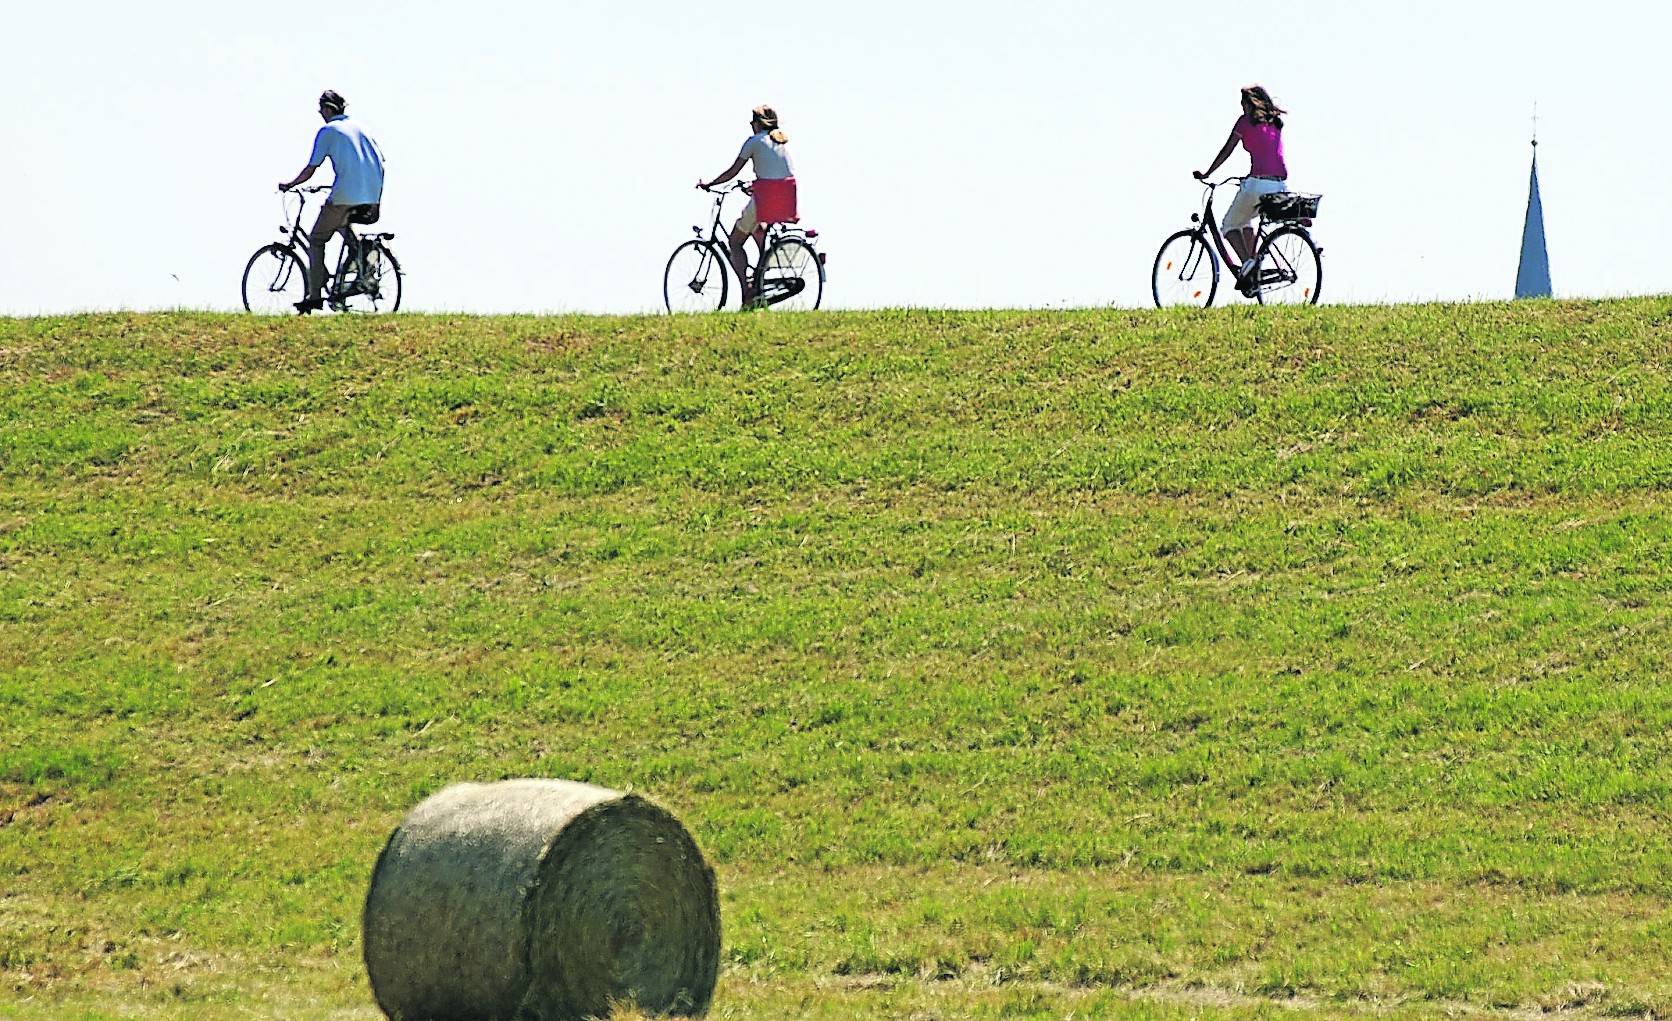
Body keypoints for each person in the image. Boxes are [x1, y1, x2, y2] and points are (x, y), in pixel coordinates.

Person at [277, 90, 386, 314]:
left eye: (321, 111)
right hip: (373, 196)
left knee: (316, 239)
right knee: (340, 221)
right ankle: (362, 264)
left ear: (327, 109)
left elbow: (311, 168)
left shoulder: (327, 131)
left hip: (346, 193)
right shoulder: (361, 127)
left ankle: (314, 295)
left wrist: (290, 184)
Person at [697, 105, 796, 307]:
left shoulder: (753, 142)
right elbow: (776, 173)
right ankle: (761, 272)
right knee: (759, 230)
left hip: (765, 200)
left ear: (757, 124)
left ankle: (747, 293)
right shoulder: (780, 142)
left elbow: (732, 171)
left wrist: (709, 184)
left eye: (752, 122)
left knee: (735, 242)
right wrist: (755, 186)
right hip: (786, 199)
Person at [1195, 85, 1287, 291]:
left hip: (1257, 184)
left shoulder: (1245, 122)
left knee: (1228, 225)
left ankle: (1248, 264)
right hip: (1280, 185)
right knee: (1244, 222)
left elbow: (1227, 149)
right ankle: (1253, 269)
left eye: (1243, 104)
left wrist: (1208, 173)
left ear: (1249, 104)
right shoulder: (1276, 122)